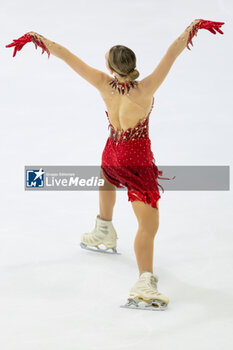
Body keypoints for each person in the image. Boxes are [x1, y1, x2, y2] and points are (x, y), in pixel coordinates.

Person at [8, 18, 224, 310]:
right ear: (132, 66)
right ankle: (145, 280)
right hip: (137, 164)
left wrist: (36, 38)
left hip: (112, 153)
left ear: (111, 68)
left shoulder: (103, 84)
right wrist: (193, 28)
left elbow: (66, 55)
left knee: (106, 176)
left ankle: (104, 229)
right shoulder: (146, 88)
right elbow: (172, 53)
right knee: (148, 227)